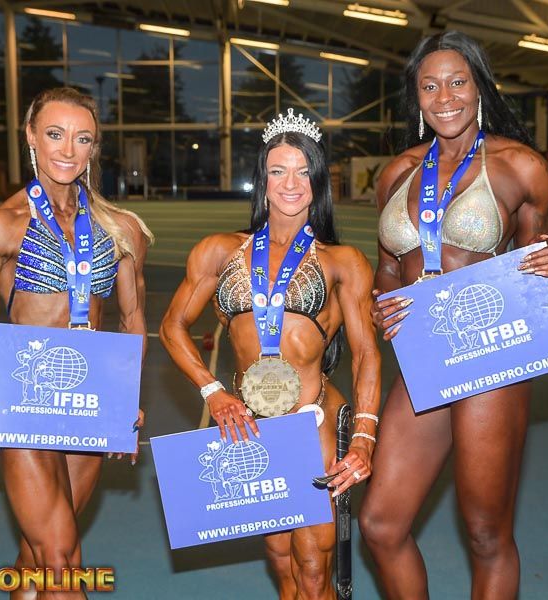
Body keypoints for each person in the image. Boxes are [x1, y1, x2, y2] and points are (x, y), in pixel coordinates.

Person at [358, 31, 548, 599]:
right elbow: (387, 268)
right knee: (380, 524)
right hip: (424, 356)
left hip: (490, 356)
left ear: (479, 89)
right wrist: (381, 306)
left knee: (485, 534)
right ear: (416, 97)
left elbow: (536, 260)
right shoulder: (395, 173)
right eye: (430, 86)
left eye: (457, 82)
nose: (444, 97)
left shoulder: (521, 166)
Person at [0, 87, 152, 599]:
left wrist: (122, 400)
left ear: (94, 147)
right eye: (55, 134)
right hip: (23, 402)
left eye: (83, 139)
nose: (68, 150)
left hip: (87, 405)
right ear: (31, 136)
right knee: (61, 560)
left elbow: (133, 319)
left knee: (37, 558)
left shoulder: (121, 229)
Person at [159, 109, 381, 599]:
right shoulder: (218, 251)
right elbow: (172, 327)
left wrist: (364, 438)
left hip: (314, 421)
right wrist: (214, 392)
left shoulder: (344, 262)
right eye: (279, 170)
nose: (291, 183)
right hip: (252, 429)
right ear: (263, 180)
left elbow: (366, 354)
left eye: (303, 171)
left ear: (318, 181)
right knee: (281, 562)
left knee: (314, 571)